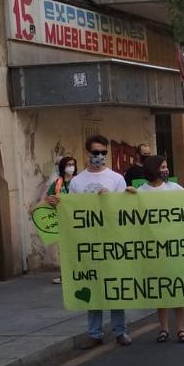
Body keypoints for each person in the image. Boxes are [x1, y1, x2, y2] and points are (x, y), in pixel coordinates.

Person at [46, 135, 132, 348]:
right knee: (92, 286)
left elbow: (125, 210)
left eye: (103, 152)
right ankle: (94, 333)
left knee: (114, 286)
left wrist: (114, 198)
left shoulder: (117, 179)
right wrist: (57, 203)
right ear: (87, 153)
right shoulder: (77, 182)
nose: (100, 156)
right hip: (88, 243)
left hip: (112, 242)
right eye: (96, 152)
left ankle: (120, 331)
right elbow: (72, 211)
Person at [135, 155, 184, 343]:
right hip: (153, 249)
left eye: (166, 166)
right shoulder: (140, 192)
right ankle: (164, 329)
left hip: (174, 247)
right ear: (154, 169)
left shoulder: (175, 189)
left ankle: (181, 329)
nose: (166, 170)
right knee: (160, 289)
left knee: (178, 289)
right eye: (163, 167)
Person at [43, 156, 78, 284]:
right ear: (63, 167)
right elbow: (48, 198)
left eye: (73, 164)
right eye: (68, 164)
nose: (71, 167)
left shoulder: (79, 181)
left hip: (78, 221)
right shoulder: (58, 183)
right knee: (65, 250)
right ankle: (66, 276)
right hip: (63, 221)